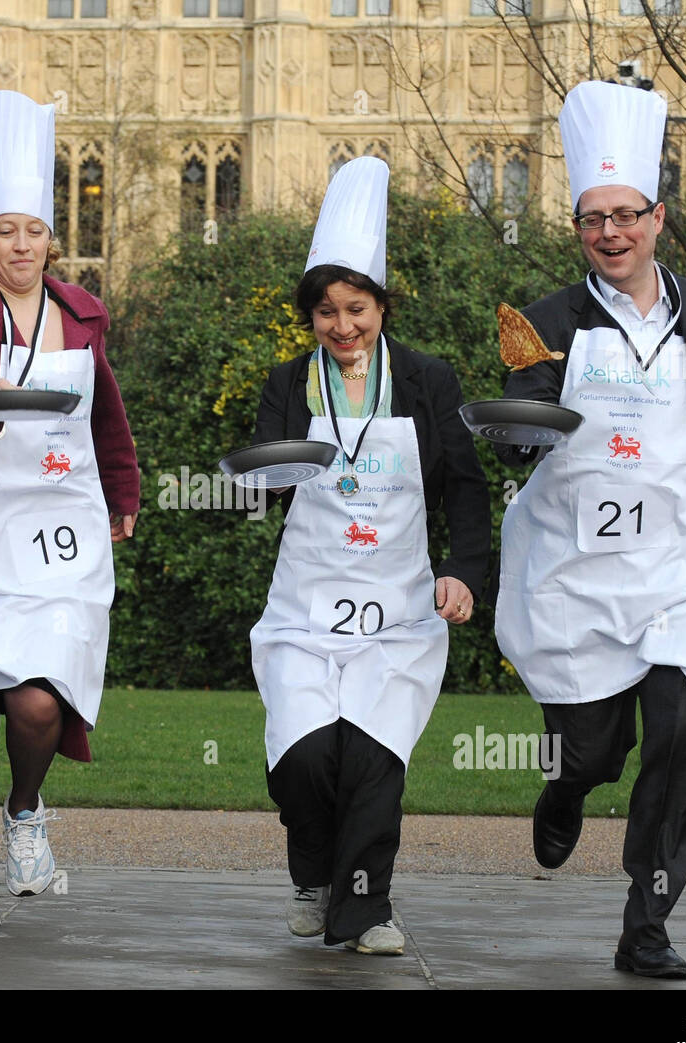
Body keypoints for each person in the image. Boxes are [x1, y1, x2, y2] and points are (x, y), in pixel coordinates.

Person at [494, 80, 686, 978]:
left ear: (659, 217)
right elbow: (522, 415)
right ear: (579, 228)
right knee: (597, 749)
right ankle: (568, 788)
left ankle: (647, 922)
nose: (611, 233)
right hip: (577, 572)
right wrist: (515, 428)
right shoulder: (545, 320)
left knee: (678, 736)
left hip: (682, 569)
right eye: (594, 220)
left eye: (627, 215)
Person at [0, 90, 140, 929]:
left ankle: (26, 811)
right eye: (4, 230)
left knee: (39, 701)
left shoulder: (82, 314)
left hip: (56, 533)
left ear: (50, 238)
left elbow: (105, 415)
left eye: (34, 230)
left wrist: (123, 494)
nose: (20, 245)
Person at [250, 157, 490, 955]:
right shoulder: (290, 383)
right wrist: (260, 479)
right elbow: (268, 480)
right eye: (326, 312)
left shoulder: (427, 380)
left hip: (397, 608)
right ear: (310, 318)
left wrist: (461, 571)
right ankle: (313, 875)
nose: (342, 326)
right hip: (307, 607)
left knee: (374, 757)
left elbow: (462, 486)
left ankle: (366, 908)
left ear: (382, 306)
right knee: (309, 757)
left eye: (356, 308)